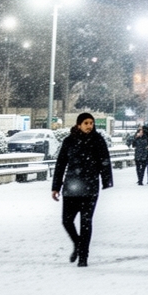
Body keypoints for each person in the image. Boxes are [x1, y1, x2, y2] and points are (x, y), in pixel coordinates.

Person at [51, 112, 113, 267]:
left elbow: (105, 160)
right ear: (79, 124)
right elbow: (61, 164)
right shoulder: (69, 141)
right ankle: (78, 244)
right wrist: (56, 187)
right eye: (86, 123)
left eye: (91, 123)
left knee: (86, 222)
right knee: (67, 220)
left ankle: (83, 256)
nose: (89, 126)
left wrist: (106, 181)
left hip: (90, 187)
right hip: (71, 186)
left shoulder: (97, 140)